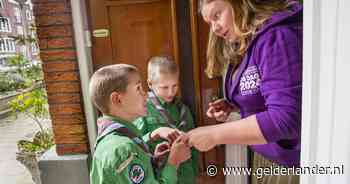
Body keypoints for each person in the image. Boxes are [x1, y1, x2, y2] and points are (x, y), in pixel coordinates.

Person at [187, 0, 302, 183]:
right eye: (210, 23)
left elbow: (285, 118)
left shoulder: (277, 37)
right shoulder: (247, 42)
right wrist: (234, 106)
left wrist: (214, 135)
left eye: (217, 15)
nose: (215, 29)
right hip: (266, 155)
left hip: (288, 164)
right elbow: (266, 95)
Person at [89, 64, 191, 184]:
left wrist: (152, 161)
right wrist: (174, 161)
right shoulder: (123, 150)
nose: (146, 94)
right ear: (117, 99)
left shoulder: (118, 140)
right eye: (138, 89)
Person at [133, 56, 199, 184]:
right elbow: (136, 144)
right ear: (150, 84)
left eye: (175, 86)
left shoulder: (183, 110)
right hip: (161, 175)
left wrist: (195, 171)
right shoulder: (143, 109)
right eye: (164, 87)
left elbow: (193, 142)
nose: (171, 92)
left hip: (186, 175)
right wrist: (154, 135)